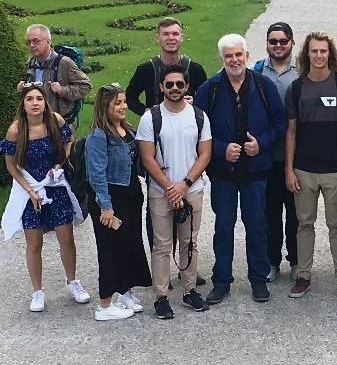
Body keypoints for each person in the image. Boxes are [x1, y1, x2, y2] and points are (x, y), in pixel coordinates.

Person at [193, 34, 287, 305]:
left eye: (238, 55)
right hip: (223, 172)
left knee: (257, 224)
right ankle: (222, 281)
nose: (234, 60)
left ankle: (258, 278)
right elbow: (198, 128)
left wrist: (262, 143)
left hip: (256, 170)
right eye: (228, 56)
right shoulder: (209, 89)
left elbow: (279, 123)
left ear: (247, 56)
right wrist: (222, 149)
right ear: (222, 59)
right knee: (223, 226)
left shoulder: (262, 85)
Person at [1, 84, 90, 312]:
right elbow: (11, 165)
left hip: (55, 186)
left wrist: (60, 164)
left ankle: (72, 281)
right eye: (29, 99)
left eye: (39, 98)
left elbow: (69, 142)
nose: (35, 103)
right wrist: (29, 191)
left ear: (45, 101)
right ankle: (37, 291)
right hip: (30, 189)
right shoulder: (16, 130)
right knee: (34, 243)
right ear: (23, 103)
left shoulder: (55, 121)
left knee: (67, 238)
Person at [284, 32, 337, 300]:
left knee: (336, 225)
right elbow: (290, 132)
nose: (318, 56)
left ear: (330, 54)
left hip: (336, 170)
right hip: (304, 170)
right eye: (314, 51)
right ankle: (303, 276)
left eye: (323, 51)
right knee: (304, 224)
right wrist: (289, 169)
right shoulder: (297, 88)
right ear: (306, 54)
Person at [137, 65, 212, 319]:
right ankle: (161, 295)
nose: (175, 89)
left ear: (186, 86)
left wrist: (185, 185)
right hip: (161, 190)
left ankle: (189, 289)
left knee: (189, 242)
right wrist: (171, 187)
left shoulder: (199, 116)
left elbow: (205, 154)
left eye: (179, 84)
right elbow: (147, 158)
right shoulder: (151, 118)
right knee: (162, 245)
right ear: (161, 88)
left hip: (191, 188)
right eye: (169, 84)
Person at [85, 84, 152, 321]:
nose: (124, 106)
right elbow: (96, 174)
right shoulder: (98, 136)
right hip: (111, 198)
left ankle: (124, 291)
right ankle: (104, 305)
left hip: (131, 194)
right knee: (111, 249)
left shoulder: (127, 129)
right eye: (118, 103)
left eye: (124, 101)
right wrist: (105, 205)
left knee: (130, 245)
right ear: (105, 106)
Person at [252, 22, 299, 283]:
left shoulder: (302, 71)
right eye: (273, 41)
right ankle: (271, 260)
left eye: (283, 41)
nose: (278, 45)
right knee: (269, 212)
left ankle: (296, 260)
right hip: (267, 154)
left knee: (296, 213)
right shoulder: (257, 71)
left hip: (297, 154)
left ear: (292, 42)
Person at [125, 16, 208, 117]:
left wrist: (195, 104)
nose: (171, 38)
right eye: (165, 34)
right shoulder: (146, 70)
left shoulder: (195, 70)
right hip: (157, 127)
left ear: (181, 37)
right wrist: (145, 111)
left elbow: (208, 99)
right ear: (158, 38)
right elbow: (129, 97)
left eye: (175, 34)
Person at [20, 24, 92, 129]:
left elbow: (86, 85)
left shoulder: (63, 63)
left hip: (60, 124)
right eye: (28, 42)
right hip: (37, 123)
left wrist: (62, 90)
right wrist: (24, 88)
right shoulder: (30, 64)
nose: (31, 45)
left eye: (36, 41)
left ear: (48, 42)